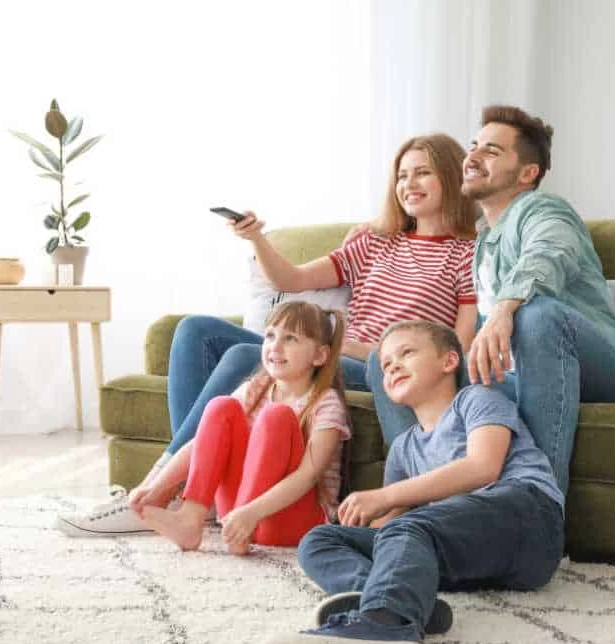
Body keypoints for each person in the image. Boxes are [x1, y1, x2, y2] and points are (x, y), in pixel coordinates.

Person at [56, 133, 479, 536]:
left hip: (374, 366)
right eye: (402, 175)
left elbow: (456, 347)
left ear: (450, 176)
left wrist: (356, 347)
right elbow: (291, 280)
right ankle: (181, 490)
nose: (409, 184)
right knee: (195, 331)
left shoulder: (468, 253)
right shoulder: (375, 242)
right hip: (332, 350)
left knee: (245, 356)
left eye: (422, 172)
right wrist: (257, 237)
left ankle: (155, 493)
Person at [374, 106, 615, 498]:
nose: (473, 157)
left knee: (536, 317)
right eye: (474, 147)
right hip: (515, 377)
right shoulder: (484, 239)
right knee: (387, 362)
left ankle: (538, 509)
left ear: (527, 174)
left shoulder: (545, 211)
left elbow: (549, 254)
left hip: (598, 372)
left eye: (492, 150)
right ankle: (420, 502)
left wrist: (505, 311)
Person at [259, 319, 564, 644]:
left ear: (449, 362)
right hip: (463, 553)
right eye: (387, 364)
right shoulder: (405, 447)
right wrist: (364, 522)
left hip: (528, 522)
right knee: (320, 540)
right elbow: (390, 528)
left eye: (407, 353)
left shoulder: (476, 400)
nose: (394, 367)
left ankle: (384, 626)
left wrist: (384, 497)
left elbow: (484, 467)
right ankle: (399, 602)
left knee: (411, 526)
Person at [60, 301, 351, 551]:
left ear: (320, 355)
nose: (275, 346)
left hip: (288, 520)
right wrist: (155, 487)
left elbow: (307, 477)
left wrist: (250, 513)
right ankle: (190, 519)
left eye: (290, 339)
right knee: (220, 407)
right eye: (270, 335)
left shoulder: (325, 403)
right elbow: (201, 442)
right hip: (237, 516)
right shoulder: (257, 388)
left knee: (276, 417)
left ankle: (243, 527)